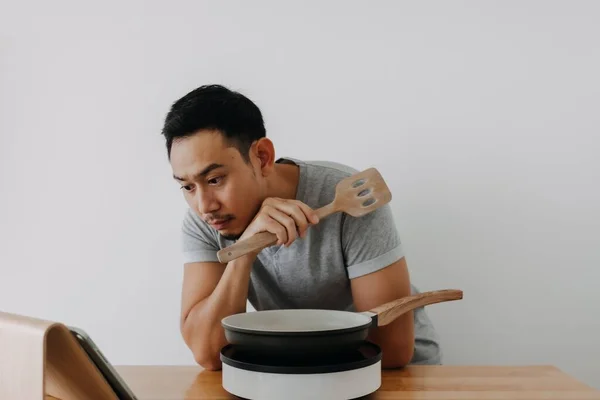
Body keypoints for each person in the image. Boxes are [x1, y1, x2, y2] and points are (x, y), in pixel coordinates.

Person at [161, 84, 442, 370]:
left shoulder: (349, 198)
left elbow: (391, 349)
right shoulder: (204, 221)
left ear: (262, 157)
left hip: (395, 374)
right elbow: (208, 353)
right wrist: (244, 253)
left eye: (215, 180)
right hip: (296, 369)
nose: (204, 205)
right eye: (186, 186)